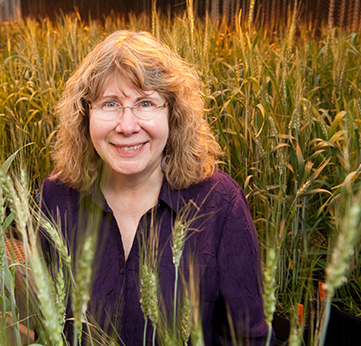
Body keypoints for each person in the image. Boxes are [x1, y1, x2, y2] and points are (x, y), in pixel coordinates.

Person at [39, 30, 273, 345]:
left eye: (146, 103)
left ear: (172, 114)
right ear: (85, 114)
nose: (127, 125)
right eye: (110, 103)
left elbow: (248, 338)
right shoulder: (57, 196)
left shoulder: (219, 203)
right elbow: (47, 318)